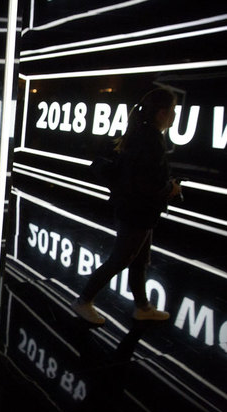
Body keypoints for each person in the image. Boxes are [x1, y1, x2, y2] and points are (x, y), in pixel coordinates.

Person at [71, 88, 182, 325]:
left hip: (133, 209)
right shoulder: (151, 141)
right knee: (121, 259)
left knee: (139, 260)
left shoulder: (141, 134)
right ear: (162, 114)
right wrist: (169, 189)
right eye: (172, 111)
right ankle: (83, 301)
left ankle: (142, 307)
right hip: (137, 212)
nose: (174, 116)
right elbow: (145, 184)